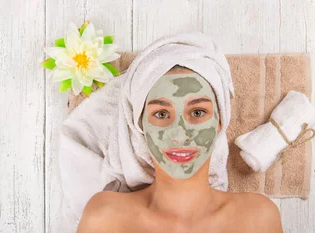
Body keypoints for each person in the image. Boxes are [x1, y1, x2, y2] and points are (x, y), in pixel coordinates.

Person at [75, 65, 283, 233]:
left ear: (220, 122)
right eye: (162, 114)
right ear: (141, 127)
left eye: (198, 112)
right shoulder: (106, 218)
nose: (180, 134)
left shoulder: (257, 218)